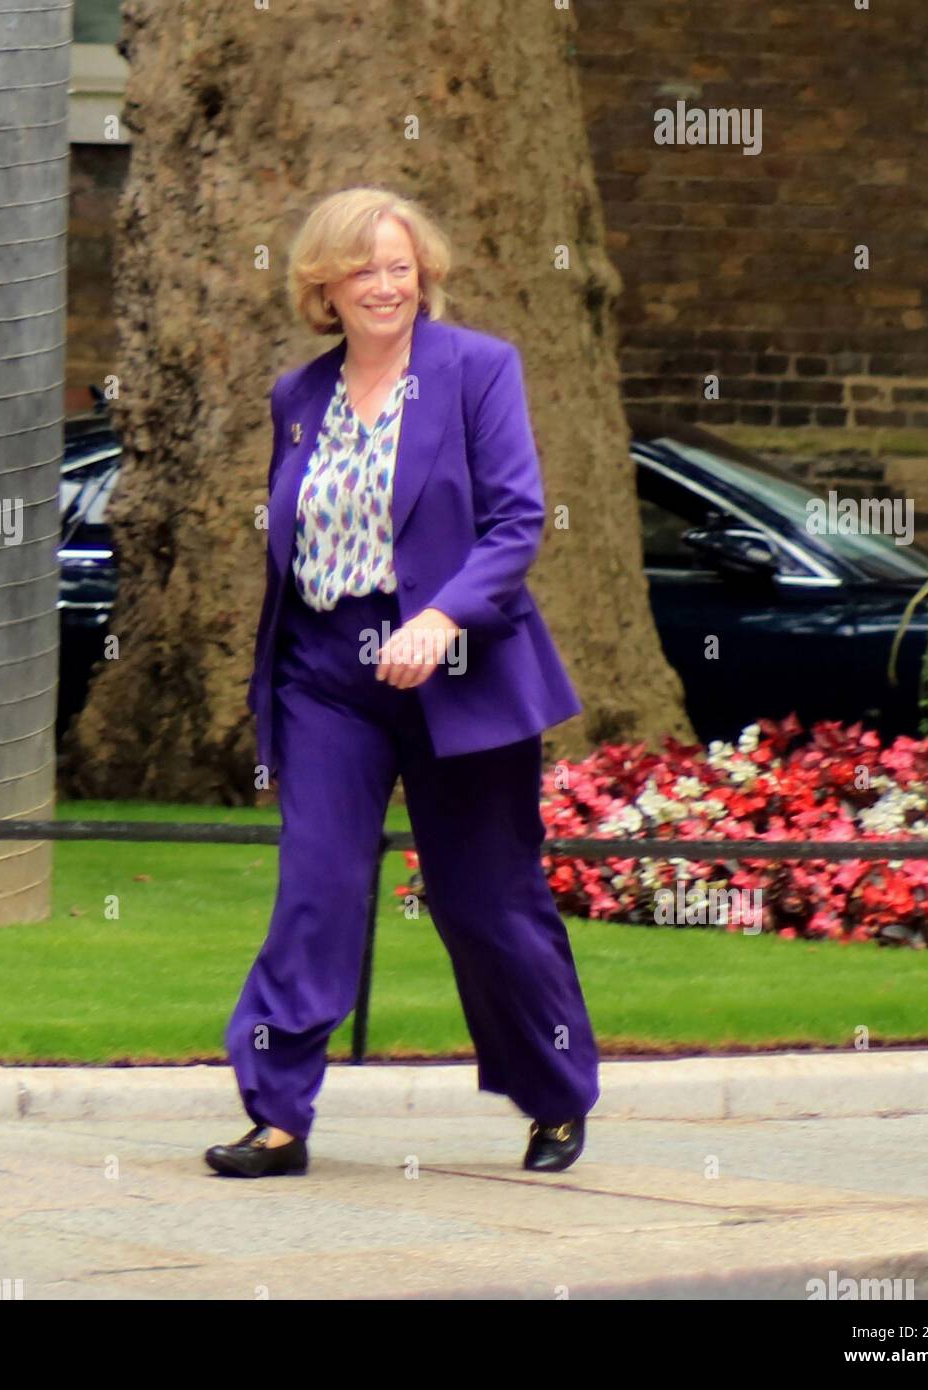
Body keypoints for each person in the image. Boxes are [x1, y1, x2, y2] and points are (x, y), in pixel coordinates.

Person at [206, 187, 600, 1179]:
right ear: (323, 287)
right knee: (316, 890)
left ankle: (554, 1095)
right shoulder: (300, 398)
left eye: (400, 267)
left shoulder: (476, 370)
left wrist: (437, 618)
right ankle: (278, 1114)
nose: (385, 285)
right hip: (328, 675)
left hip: (459, 665)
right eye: (362, 270)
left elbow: (517, 522)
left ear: (423, 275)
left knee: (484, 898)